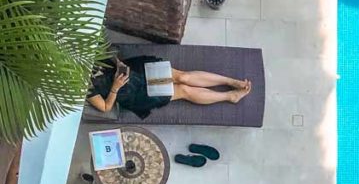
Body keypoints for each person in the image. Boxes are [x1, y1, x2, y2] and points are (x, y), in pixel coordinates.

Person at [86, 55, 252, 120]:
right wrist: (115, 87)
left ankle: (230, 81)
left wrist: (118, 62)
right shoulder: (86, 88)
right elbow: (106, 107)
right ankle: (229, 96)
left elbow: (109, 54)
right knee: (183, 90)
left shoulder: (85, 57)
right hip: (135, 93)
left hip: (138, 72)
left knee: (183, 77)